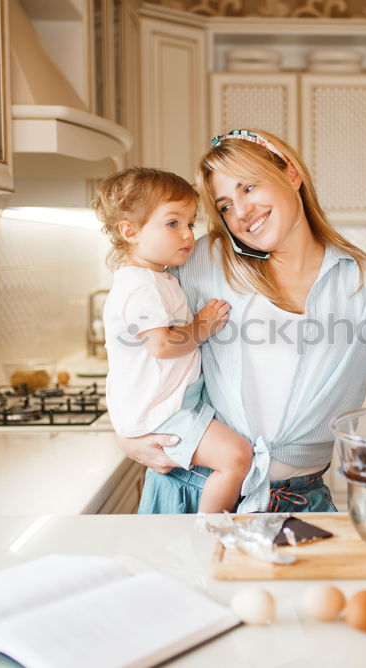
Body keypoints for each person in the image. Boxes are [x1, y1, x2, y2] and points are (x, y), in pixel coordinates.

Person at [115, 130, 366, 514]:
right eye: (226, 205)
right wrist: (126, 433)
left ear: (291, 174)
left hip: (301, 504)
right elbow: (133, 328)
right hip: (189, 491)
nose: (242, 213)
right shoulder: (204, 260)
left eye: (249, 188)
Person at [92, 167, 255, 513]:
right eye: (172, 223)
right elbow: (162, 345)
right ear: (129, 231)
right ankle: (209, 532)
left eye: (190, 223)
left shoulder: (156, 277)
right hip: (161, 413)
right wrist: (203, 326)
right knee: (237, 458)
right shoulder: (141, 286)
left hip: (171, 405)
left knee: (234, 456)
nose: (187, 235)